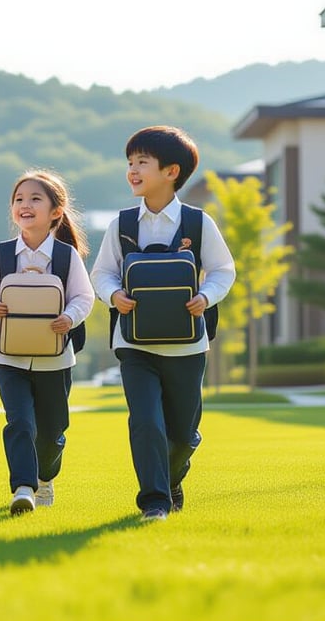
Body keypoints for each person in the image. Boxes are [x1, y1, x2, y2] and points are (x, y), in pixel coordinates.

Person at [90, 126, 236, 522]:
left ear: (172, 171)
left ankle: (172, 479)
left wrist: (206, 296)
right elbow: (101, 273)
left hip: (188, 346)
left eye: (142, 163)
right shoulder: (120, 225)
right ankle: (154, 501)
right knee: (145, 421)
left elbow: (224, 270)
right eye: (130, 163)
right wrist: (113, 295)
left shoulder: (197, 222)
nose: (133, 170)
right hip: (134, 344)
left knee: (184, 433)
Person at [0, 170, 95, 516]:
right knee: (20, 422)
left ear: (56, 211)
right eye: (19, 199)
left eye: (35, 199)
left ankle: (46, 476)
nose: (24, 205)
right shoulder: (0, 255)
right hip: (7, 357)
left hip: (54, 360)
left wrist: (69, 318)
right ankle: (23, 488)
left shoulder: (67, 256)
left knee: (53, 430)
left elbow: (83, 298)